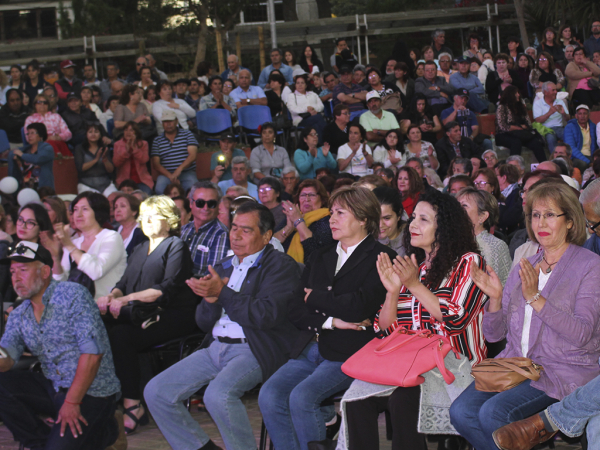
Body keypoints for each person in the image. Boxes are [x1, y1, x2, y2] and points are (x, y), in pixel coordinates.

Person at [450, 182, 600, 450]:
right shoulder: (526, 265)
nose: (541, 221)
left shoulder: (590, 266)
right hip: (516, 367)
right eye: (535, 214)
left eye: (551, 214)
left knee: (493, 413)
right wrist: (494, 299)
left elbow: (582, 333)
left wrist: (536, 298)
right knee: (461, 412)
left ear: (569, 222)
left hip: (562, 370)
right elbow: (495, 335)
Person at [144, 200, 300, 450]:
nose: (236, 236)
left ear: (266, 235)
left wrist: (223, 292)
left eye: (246, 230)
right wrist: (209, 300)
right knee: (157, 391)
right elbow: (204, 323)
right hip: (215, 347)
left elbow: (265, 316)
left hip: (256, 349)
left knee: (218, 395)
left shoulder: (280, 266)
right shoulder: (223, 265)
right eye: (234, 227)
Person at [343, 189, 487, 450]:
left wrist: (414, 285)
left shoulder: (469, 262)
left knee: (403, 399)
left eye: (424, 219)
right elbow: (385, 331)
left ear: (443, 228)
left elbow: (454, 319)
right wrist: (393, 292)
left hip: (454, 366)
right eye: (413, 218)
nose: (413, 225)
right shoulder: (415, 269)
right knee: (356, 398)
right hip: (409, 364)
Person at [260, 186, 395, 450]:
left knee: (302, 397)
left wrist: (316, 298)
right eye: (332, 212)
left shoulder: (382, 257)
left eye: (340, 213)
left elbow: (359, 307)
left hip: (350, 351)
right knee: (270, 395)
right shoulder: (321, 255)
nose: (331, 219)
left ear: (363, 218)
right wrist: (330, 320)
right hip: (311, 343)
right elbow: (295, 307)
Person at [0, 241, 124, 450]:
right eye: (12, 272)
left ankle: (108, 430)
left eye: (23, 270)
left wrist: (72, 402)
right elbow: (7, 358)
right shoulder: (19, 313)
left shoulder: (72, 295)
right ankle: (40, 443)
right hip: (54, 387)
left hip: (91, 392)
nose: (16, 278)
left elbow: (93, 355)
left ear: (45, 271)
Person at [99, 195, 199, 434]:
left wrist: (124, 299)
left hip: (175, 313)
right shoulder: (140, 247)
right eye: (144, 217)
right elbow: (123, 282)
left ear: (170, 220)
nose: (147, 221)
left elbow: (167, 289)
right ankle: (102, 399)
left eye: (154, 216)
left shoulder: (176, 246)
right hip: (142, 312)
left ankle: (132, 404)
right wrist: (112, 296)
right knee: (98, 325)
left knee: (122, 335)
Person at [42, 192, 127, 300]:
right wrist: (55, 258)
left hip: (104, 307)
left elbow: (96, 271)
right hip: (77, 307)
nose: (78, 214)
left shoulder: (111, 237)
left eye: (85, 209)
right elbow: (60, 282)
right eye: (76, 209)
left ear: (98, 212)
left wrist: (69, 245)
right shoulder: (75, 242)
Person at [457, 187, 511, 285]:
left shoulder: (494, 246)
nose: (457, 209)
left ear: (482, 216)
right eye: (457, 205)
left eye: (464, 206)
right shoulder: (450, 241)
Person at [273, 179, 334, 264]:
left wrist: (298, 221)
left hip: (313, 270)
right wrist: (288, 227)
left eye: (312, 195)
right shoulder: (293, 216)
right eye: (303, 195)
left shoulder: (328, 220)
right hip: (285, 269)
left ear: (322, 199)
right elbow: (272, 244)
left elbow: (314, 249)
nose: (307, 199)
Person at [180, 181, 230, 276]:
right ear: (191, 203)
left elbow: (212, 275)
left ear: (218, 205)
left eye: (211, 203)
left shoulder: (221, 234)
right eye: (200, 203)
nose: (206, 208)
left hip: (197, 287)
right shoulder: (184, 229)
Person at [151, 110, 199, 195]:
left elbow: (193, 155)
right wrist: (171, 176)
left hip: (186, 172)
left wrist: (179, 170)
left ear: (176, 121)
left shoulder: (187, 134)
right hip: (166, 174)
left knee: (193, 189)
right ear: (162, 123)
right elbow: (156, 164)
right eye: (165, 122)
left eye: (170, 121)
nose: (168, 124)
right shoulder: (157, 140)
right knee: (159, 189)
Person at [495, 86, 547, 163]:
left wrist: (520, 128)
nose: (519, 95)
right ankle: (513, 168)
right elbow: (503, 126)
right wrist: (520, 127)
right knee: (516, 142)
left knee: (536, 142)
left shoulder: (521, 107)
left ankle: (545, 165)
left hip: (521, 134)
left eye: (518, 93)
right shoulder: (502, 107)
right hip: (504, 134)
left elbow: (528, 124)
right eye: (516, 93)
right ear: (510, 94)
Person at [73, 123, 117, 196]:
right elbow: (81, 168)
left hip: (105, 183)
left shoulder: (104, 148)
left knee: (114, 197)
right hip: (86, 184)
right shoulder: (80, 148)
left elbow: (111, 170)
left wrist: (105, 159)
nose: (93, 134)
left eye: (96, 132)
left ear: (100, 134)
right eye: (90, 132)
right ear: (86, 134)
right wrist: (96, 160)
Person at [8, 122, 54, 189]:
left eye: (32, 133)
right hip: (25, 188)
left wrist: (22, 155)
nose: (29, 136)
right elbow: (12, 154)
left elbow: (38, 159)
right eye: (28, 133)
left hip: (43, 188)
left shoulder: (47, 148)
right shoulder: (25, 150)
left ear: (41, 135)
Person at [113, 121, 154, 195]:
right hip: (124, 182)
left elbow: (144, 159)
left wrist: (135, 149)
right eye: (126, 130)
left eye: (131, 130)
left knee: (146, 195)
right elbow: (116, 163)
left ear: (136, 132)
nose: (128, 132)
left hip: (141, 181)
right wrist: (126, 151)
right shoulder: (117, 144)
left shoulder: (143, 143)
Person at [286, 73, 326, 140]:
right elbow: (293, 110)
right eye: (298, 83)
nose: (300, 85)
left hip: (314, 118)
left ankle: (320, 146)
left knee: (316, 126)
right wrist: (307, 109)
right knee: (318, 117)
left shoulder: (313, 94)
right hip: (301, 120)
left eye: (302, 83)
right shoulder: (291, 96)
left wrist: (313, 109)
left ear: (306, 85)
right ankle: (329, 139)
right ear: (295, 85)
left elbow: (321, 106)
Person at [533, 81, 569, 154]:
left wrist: (564, 114)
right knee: (550, 139)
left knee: (569, 135)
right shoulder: (538, 103)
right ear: (545, 92)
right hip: (547, 129)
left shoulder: (560, 102)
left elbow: (568, 119)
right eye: (553, 90)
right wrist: (549, 113)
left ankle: (570, 159)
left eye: (556, 90)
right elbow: (538, 120)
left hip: (560, 128)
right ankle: (555, 161)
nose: (556, 92)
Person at [112, 192, 148, 258]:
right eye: (115, 207)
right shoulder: (112, 232)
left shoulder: (143, 233)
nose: (118, 210)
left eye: (122, 206)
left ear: (134, 211)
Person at [373, 186, 406, 256]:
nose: (380, 225)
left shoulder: (411, 244)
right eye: (375, 217)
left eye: (386, 218)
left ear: (399, 215)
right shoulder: (363, 239)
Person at [564, 104, 598, 170]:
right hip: (576, 157)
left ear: (589, 115)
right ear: (576, 116)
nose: (582, 116)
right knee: (582, 164)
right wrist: (588, 161)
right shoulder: (569, 127)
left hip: (591, 156)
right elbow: (571, 148)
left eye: (585, 113)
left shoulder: (593, 126)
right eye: (580, 114)